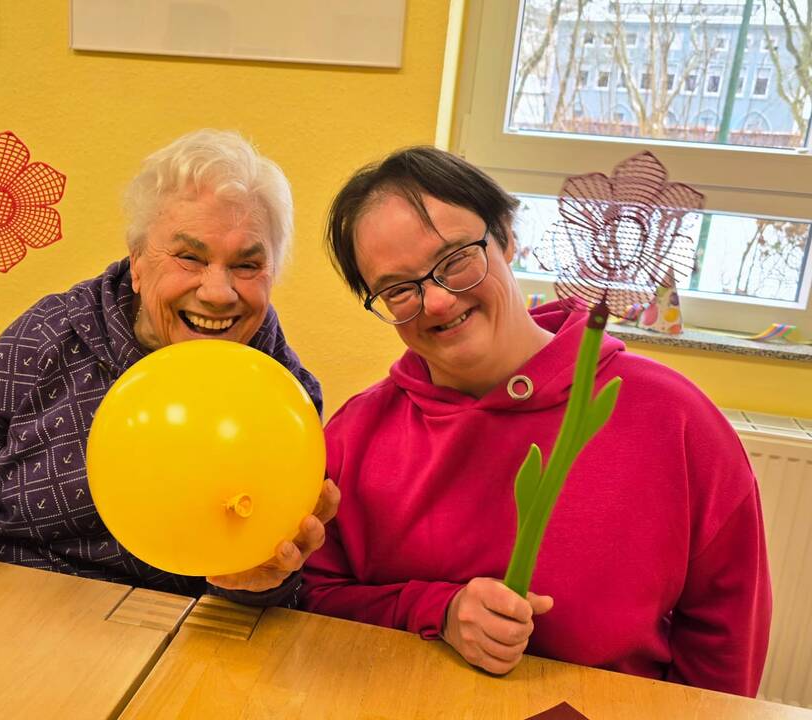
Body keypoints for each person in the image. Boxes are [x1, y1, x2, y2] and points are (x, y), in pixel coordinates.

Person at [300, 146, 772, 696]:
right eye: (399, 289)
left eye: (456, 260)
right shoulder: (355, 434)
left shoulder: (675, 418)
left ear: (506, 235)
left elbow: (724, 641)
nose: (435, 302)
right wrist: (437, 610)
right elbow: (314, 597)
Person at [0, 129, 338, 603]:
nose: (217, 291)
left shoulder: (285, 398)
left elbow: (270, 580)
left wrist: (263, 582)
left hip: (169, 631)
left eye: (247, 266)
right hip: (4, 595)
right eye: (189, 257)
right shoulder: (51, 334)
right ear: (137, 260)